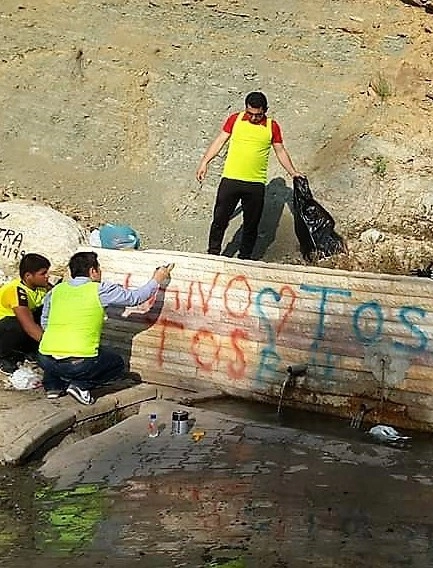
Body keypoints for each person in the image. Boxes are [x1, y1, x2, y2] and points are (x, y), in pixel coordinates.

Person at [37, 252, 172, 405]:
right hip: (78, 364)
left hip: (44, 359)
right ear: (92, 271)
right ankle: (81, 386)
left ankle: (53, 387)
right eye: (99, 269)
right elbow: (135, 298)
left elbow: (45, 321)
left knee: (57, 355)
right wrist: (157, 280)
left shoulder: (57, 291)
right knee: (116, 364)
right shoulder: (99, 290)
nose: (100, 273)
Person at [195, 91, 303, 260]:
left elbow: (280, 150)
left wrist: (293, 172)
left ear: (265, 110)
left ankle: (244, 258)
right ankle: (213, 254)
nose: (253, 118)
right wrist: (204, 162)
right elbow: (219, 141)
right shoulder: (235, 119)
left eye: (258, 114)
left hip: (255, 183)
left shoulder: (271, 126)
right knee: (220, 220)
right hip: (230, 180)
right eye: (250, 113)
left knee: (251, 225)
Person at [0, 253, 51, 373]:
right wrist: (52, 346)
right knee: (16, 323)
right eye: (43, 273)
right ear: (28, 276)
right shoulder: (16, 290)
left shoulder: (42, 288)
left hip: (24, 334)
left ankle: (29, 351)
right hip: (6, 331)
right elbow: (28, 325)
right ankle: (4, 357)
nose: (47, 276)